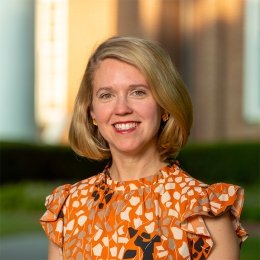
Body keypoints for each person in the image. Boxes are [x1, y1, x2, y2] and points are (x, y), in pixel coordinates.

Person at [40, 36, 248, 260]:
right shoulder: (70, 207)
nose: (121, 108)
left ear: (165, 104)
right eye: (106, 95)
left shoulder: (203, 211)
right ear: (91, 112)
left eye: (138, 92)